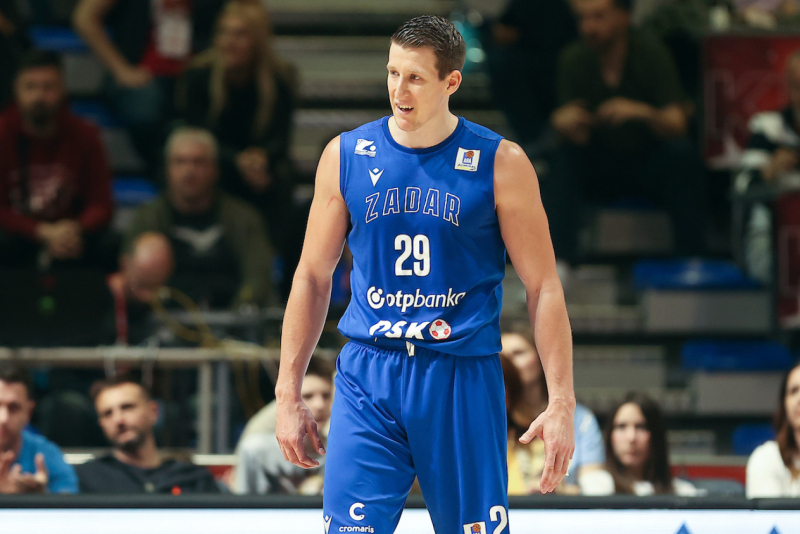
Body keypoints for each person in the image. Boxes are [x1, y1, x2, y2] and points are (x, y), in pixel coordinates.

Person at [275, 16, 575, 534]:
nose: (398, 90)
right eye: (392, 73)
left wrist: (562, 401)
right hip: (370, 370)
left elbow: (543, 286)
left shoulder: (501, 162)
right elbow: (311, 278)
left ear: (451, 81)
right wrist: (288, 392)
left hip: (460, 372)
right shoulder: (346, 155)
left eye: (414, 77)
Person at [546, 0, 705, 262]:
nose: (588, 27)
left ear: (623, 16)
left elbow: (678, 124)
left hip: (648, 160)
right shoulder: (573, 58)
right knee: (564, 158)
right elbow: (575, 134)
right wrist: (563, 122)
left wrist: (642, 112)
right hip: (601, 164)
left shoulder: (650, 52)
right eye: (582, 18)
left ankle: (691, 260)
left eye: (598, 17)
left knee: (682, 156)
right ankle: (559, 262)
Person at [177, 1, 296, 263]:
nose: (229, 42)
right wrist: (237, 160)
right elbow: (195, 134)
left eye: (240, 34)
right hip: (218, 160)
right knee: (194, 165)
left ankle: (275, 260)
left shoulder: (280, 79)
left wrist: (261, 158)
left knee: (283, 174)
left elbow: (280, 139)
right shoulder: (199, 76)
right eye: (223, 32)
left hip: (258, 168)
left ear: (257, 40)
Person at [123, 127, 274, 309]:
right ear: (167, 169)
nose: (189, 171)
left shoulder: (243, 218)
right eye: (180, 162)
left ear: (215, 169)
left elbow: (259, 275)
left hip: (231, 317)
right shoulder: (148, 218)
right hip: (166, 316)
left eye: (199, 162)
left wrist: (240, 310)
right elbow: (131, 278)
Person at [73, 0, 227, 174]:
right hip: (143, 75)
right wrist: (121, 69)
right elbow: (84, 18)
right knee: (146, 104)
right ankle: (165, 174)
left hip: (191, 73)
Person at [0, 50, 113, 269]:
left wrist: (75, 229)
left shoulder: (85, 135)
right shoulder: (3, 133)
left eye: (48, 87)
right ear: (16, 90)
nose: (39, 96)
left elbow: (101, 204)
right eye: (30, 87)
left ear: (62, 89)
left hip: (71, 235)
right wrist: (39, 231)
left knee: (110, 244)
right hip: (18, 236)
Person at [501, 322, 612, 495]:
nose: (510, 363)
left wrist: (561, 490)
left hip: (564, 510)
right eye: (503, 357)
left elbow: (598, 491)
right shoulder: (491, 421)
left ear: (541, 358)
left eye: (518, 353)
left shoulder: (579, 420)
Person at [75, 375, 220, 494]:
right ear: (101, 424)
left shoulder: (192, 478)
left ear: (154, 411)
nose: (118, 420)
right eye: (108, 414)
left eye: (127, 407)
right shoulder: (86, 479)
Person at [235, 355, 334, 495]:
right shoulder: (255, 450)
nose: (320, 405)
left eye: (326, 396)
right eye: (308, 396)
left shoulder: (341, 452)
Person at [0, 362, 78, 494]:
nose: (3, 418)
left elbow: (71, 503)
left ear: (28, 412)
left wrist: (41, 497)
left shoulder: (47, 454)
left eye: (14, 408)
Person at [604, 392, 697, 496]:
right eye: (621, 426)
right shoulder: (597, 489)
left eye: (641, 427)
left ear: (656, 435)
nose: (631, 438)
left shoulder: (684, 494)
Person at [106, 232, 175, 345]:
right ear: (125, 265)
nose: (149, 297)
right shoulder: (99, 299)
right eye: (143, 285)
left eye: (157, 286)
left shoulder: (173, 300)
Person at [746, 362, 800, 498]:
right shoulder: (767, 458)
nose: (799, 399)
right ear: (784, 404)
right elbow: (768, 511)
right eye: (794, 391)